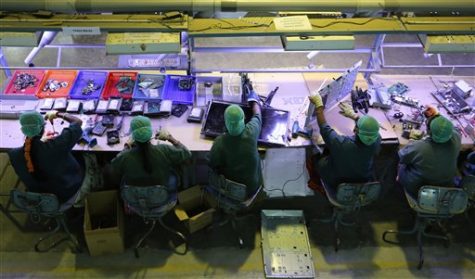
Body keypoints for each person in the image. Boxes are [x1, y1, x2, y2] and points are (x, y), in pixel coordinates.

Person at [8, 110, 92, 206]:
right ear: (42, 128)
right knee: (88, 156)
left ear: (23, 130)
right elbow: (77, 122)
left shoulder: (13, 154)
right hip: (66, 195)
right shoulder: (56, 146)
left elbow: (34, 157)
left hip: (39, 200)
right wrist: (57, 114)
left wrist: (41, 142)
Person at [308, 92, 381, 192]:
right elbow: (368, 130)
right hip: (363, 180)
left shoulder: (342, 144)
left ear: (356, 130)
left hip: (338, 184)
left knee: (317, 159)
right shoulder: (376, 140)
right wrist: (354, 116)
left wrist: (319, 105)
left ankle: (318, 183)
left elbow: (325, 128)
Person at [110, 116, 191, 191]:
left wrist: (126, 147)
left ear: (133, 136)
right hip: (160, 196)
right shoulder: (164, 150)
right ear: (150, 133)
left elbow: (114, 166)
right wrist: (170, 138)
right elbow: (186, 153)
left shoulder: (125, 156)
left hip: (135, 199)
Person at [208, 90, 263, 198]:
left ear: (225, 122)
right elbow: (257, 115)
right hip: (252, 188)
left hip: (230, 190)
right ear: (243, 119)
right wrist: (254, 101)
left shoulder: (220, 142)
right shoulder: (251, 132)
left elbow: (212, 163)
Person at [398, 111, 461, 197]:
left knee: (402, 163)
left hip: (420, 189)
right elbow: (452, 129)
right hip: (445, 187)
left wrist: (411, 142)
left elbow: (402, 156)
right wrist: (438, 117)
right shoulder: (457, 138)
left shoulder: (419, 147)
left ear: (429, 132)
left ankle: (398, 180)